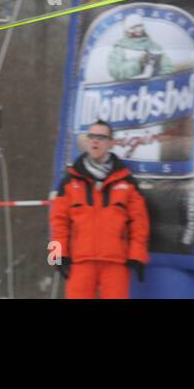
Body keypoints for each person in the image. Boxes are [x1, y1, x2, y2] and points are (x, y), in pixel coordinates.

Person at [48, 119, 150, 299]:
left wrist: (138, 254)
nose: (95, 141)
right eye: (92, 136)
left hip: (116, 263)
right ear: (87, 141)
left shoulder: (126, 181)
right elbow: (57, 221)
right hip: (80, 263)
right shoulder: (70, 181)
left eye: (101, 137)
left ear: (111, 143)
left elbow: (139, 222)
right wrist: (56, 255)